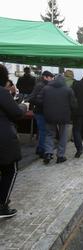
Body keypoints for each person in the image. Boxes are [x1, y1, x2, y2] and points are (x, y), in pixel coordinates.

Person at [0, 64, 27, 218]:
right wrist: (24, 106)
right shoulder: (2, 93)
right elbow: (16, 113)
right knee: (10, 170)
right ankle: (2, 206)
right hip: (3, 137)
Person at [39, 75, 77, 164]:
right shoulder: (68, 90)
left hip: (49, 115)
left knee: (49, 134)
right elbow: (74, 104)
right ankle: (60, 156)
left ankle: (48, 153)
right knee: (63, 135)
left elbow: (39, 100)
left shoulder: (46, 88)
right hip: (64, 116)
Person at [28, 71, 54, 158]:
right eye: (51, 77)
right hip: (40, 112)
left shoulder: (43, 85)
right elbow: (31, 98)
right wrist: (43, 103)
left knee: (43, 131)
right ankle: (41, 150)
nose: (52, 79)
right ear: (45, 77)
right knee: (43, 132)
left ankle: (39, 148)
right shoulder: (40, 85)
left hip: (42, 111)